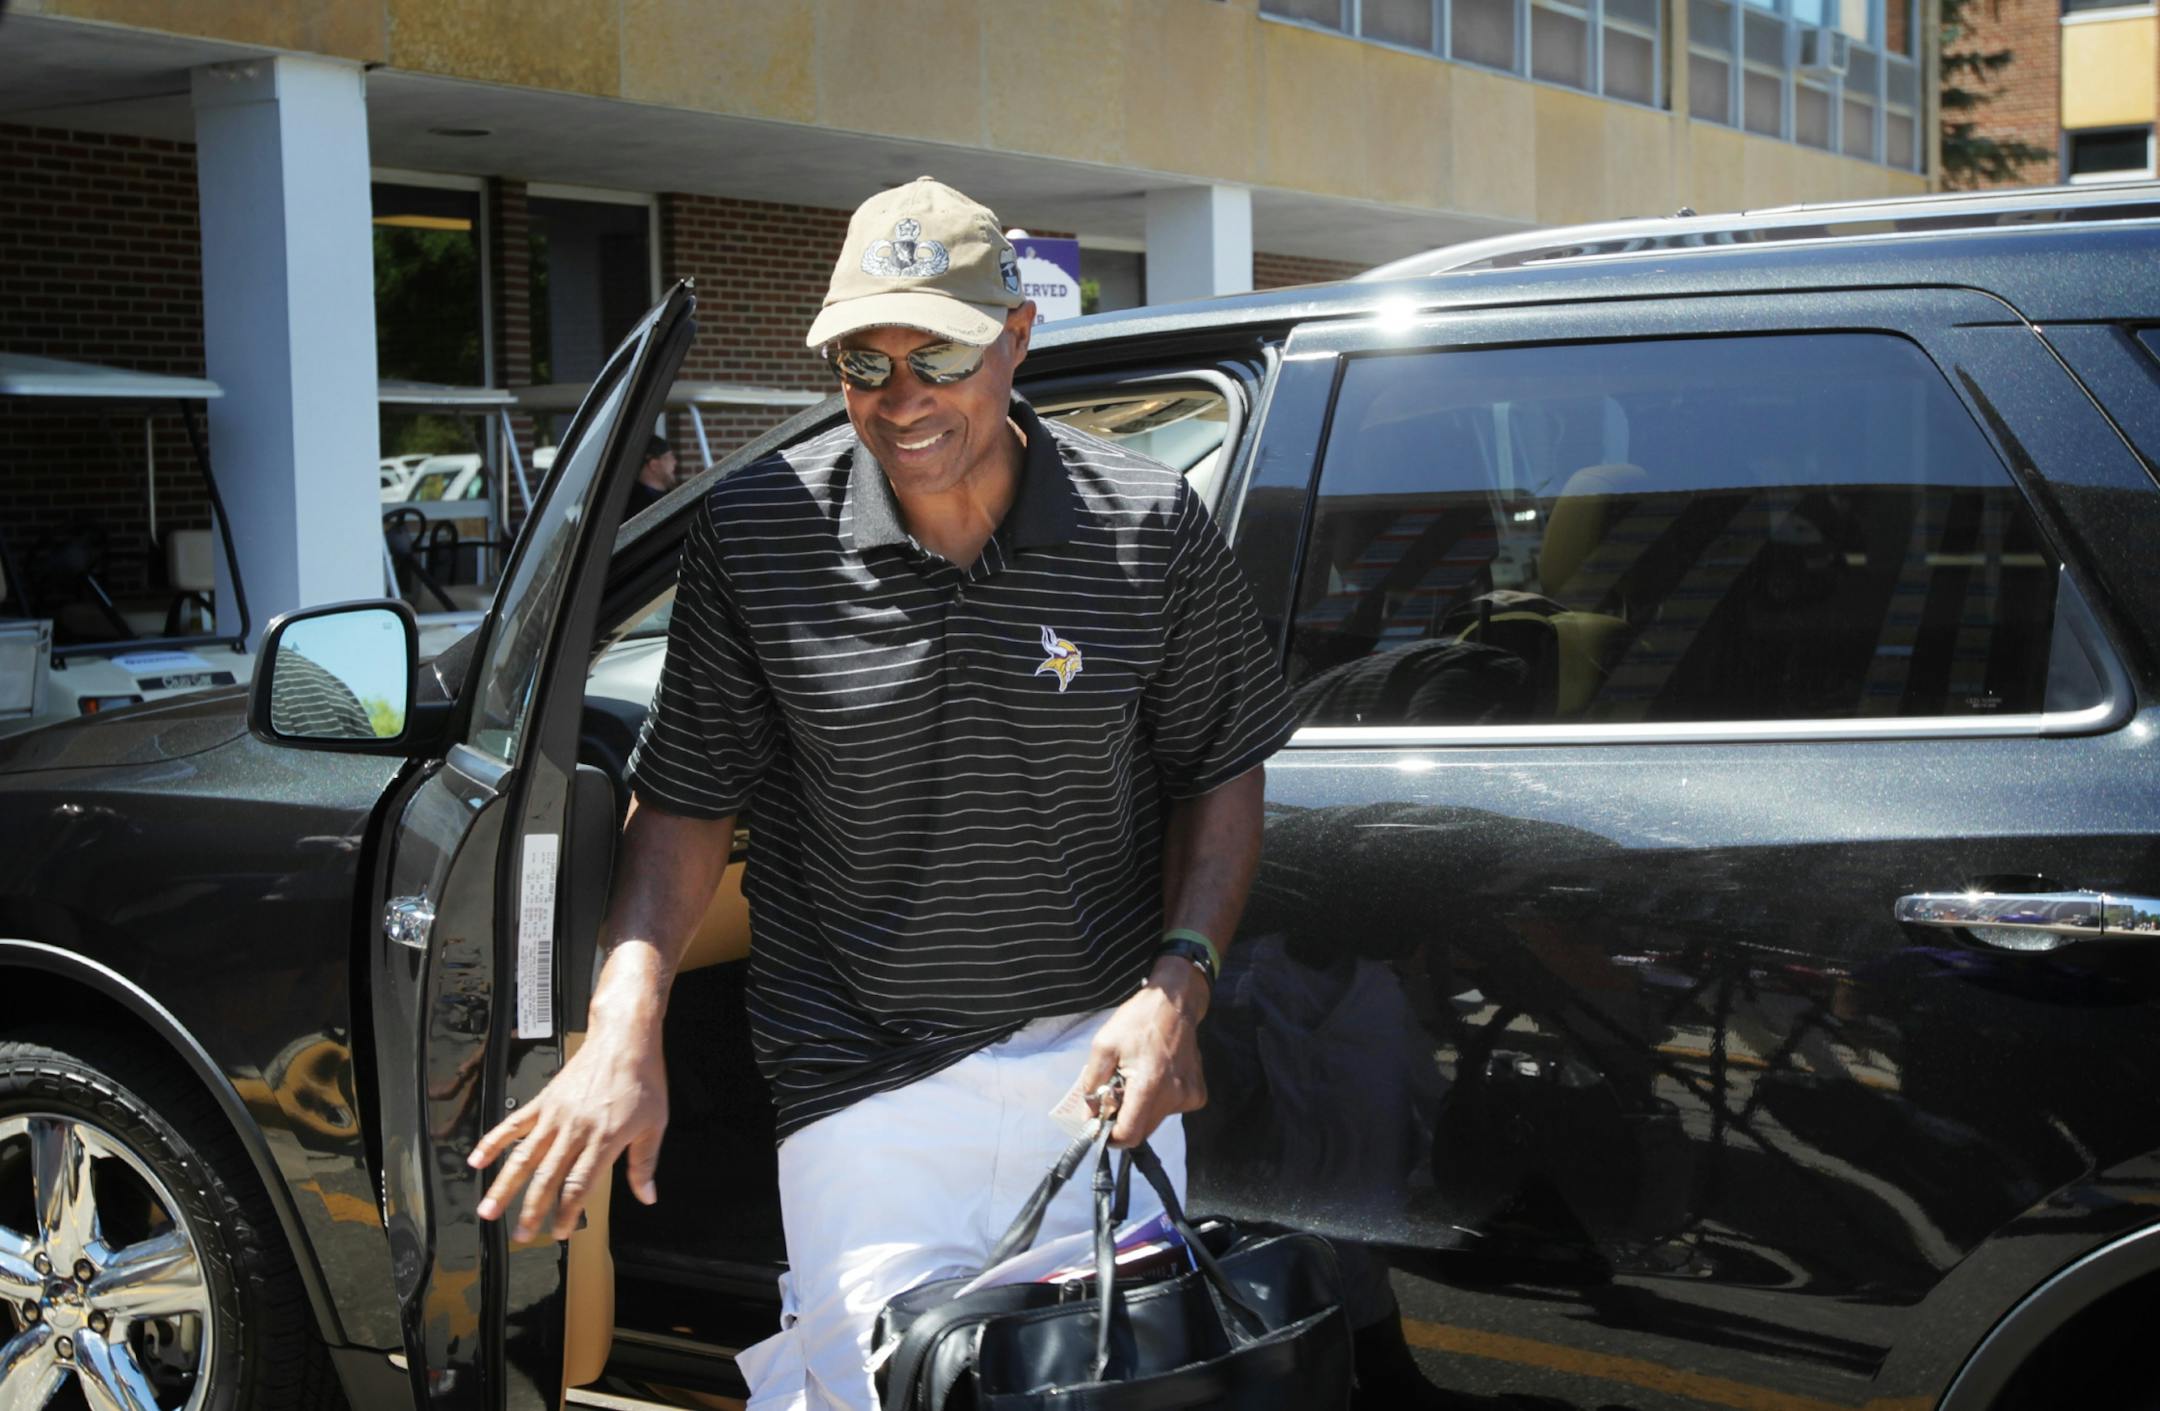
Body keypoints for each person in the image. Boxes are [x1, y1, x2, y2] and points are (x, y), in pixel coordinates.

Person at [467, 176, 1297, 1411]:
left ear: (1015, 340)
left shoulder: (1147, 523)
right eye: (863, 359)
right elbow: (686, 803)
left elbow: (1221, 775)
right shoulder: (757, 533)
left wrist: (1179, 989)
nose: (899, 398)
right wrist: (624, 1027)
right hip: (865, 1091)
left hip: (1102, 1076)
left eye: (938, 354)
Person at [624, 434, 679, 516]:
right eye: (670, 456)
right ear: (653, 464)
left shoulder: (675, 497)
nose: (675, 462)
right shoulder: (637, 507)